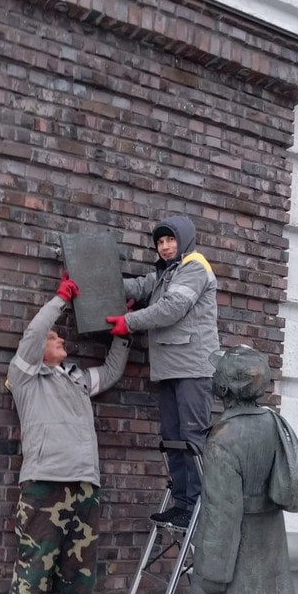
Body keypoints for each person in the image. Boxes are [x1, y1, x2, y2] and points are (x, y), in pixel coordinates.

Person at [3, 272, 130, 594]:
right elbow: (35, 331)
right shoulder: (25, 376)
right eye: (57, 340)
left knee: (78, 575)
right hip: (44, 486)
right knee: (34, 570)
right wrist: (60, 299)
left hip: (85, 488)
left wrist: (125, 331)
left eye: (62, 340)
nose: (63, 343)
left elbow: (110, 373)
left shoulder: (75, 378)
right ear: (39, 349)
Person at [188, 345, 298, 594]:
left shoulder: (222, 438)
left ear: (224, 387)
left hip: (238, 543)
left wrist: (212, 572)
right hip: (271, 539)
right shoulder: (275, 422)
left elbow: (221, 515)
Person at [105, 215, 219, 528]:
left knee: (192, 438)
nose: (166, 247)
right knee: (173, 439)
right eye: (160, 242)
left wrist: (127, 322)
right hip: (171, 369)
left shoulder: (194, 267)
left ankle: (195, 506)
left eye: (171, 240)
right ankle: (182, 502)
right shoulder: (167, 272)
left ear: (184, 240)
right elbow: (138, 287)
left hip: (193, 368)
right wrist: (90, 286)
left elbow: (171, 309)